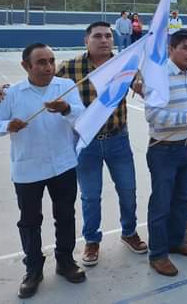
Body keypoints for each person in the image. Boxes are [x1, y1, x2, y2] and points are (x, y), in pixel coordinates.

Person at [0, 43, 87, 298]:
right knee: (30, 221)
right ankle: (33, 269)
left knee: (65, 215)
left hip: (63, 164)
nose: (48, 67)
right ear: (25, 66)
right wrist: (7, 126)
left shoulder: (65, 87)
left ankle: (65, 261)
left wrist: (66, 109)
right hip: (28, 169)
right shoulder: (13, 94)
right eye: (41, 62)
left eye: (51, 60)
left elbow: (83, 117)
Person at [51, 22, 148, 266]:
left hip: (118, 140)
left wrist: (142, 85)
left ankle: (129, 232)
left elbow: (143, 86)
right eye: (98, 36)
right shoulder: (70, 67)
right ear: (86, 41)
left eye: (108, 36)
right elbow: (42, 84)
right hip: (86, 143)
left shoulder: (124, 65)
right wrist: (6, 89)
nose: (104, 40)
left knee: (127, 190)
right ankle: (92, 240)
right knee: (90, 195)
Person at [144, 30, 187, 276]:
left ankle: (175, 241)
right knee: (161, 204)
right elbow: (152, 115)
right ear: (171, 49)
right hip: (163, 150)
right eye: (185, 47)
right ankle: (158, 254)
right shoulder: (158, 77)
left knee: (181, 200)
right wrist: (186, 119)